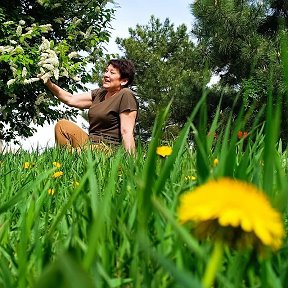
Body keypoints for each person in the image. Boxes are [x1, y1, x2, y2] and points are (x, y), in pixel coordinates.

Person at [41, 59, 138, 154]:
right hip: (90, 143)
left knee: (77, 153)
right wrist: (48, 83)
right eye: (106, 71)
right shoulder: (100, 93)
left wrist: (131, 162)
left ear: (124, 81)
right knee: (62, 125)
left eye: (112, 73)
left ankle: (68, 158)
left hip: (108, 148)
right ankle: (64, 159)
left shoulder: (125, 94)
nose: (106, 75)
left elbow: (127, 132)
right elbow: (70, 99)